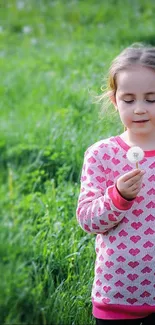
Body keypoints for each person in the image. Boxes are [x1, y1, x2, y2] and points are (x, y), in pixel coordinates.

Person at [76, 43, 155, 325]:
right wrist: (118, 196)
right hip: (117, 295)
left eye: (151, 99)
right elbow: (88, 220)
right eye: (129, 99)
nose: (140, 109)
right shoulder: (102, 154)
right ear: (114, 101)